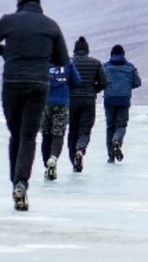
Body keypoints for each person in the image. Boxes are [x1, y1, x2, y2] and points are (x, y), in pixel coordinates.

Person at [0, 0, 70, 211]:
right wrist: (41, 56)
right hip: (39, 85)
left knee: (16, 135)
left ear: (19, 2)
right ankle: (21, 183)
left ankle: (15, 183)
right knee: (29, 137)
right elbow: (62, 59)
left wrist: (9, 53)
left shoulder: (8, 21)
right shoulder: (51, 25)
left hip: (12, 84)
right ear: (39, 4)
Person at [65, 37, 108, 173]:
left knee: (73, 130)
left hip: (71, 100)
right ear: (87, 50)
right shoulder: (95, 63)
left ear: (75, 50)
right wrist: (93, 90)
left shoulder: (68, 62)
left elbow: (63, 80)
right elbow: (103, 81)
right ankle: (80, 149)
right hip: (88, 100)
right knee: (85, 129)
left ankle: (74, 161)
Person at [41, 57, 81, 181]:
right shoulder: (68, 63)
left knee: (46, 135)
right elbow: (77, 81)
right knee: (58, 133)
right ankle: (53, 157)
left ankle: (47, 165)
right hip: (62, 103)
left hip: (44, 103)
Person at [101, 44, 141, 163]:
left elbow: (101, 81)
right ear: (123, 54)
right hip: (123, 99)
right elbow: (137, 82)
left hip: (109, 99)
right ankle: (117, 140)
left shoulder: (105, 67)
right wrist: (127, 87)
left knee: (110, 127)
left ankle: (111, 155)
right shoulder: (130, 67)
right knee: (121, 125)